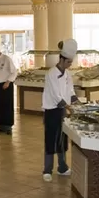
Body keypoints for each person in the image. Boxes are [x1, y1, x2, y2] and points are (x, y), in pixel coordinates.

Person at [41, 38, 78, 182]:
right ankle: (47, 170)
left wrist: (77, 103)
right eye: (68, 62)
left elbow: (71, 91)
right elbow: (56, 95)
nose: (70, 64)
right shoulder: (51, 73)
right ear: (62, 59)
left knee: (62, 140)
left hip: (62, 111)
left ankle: (62, 167)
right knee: (50, 140)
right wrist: (69, 107)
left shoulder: (68, 74)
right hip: (51, 111)